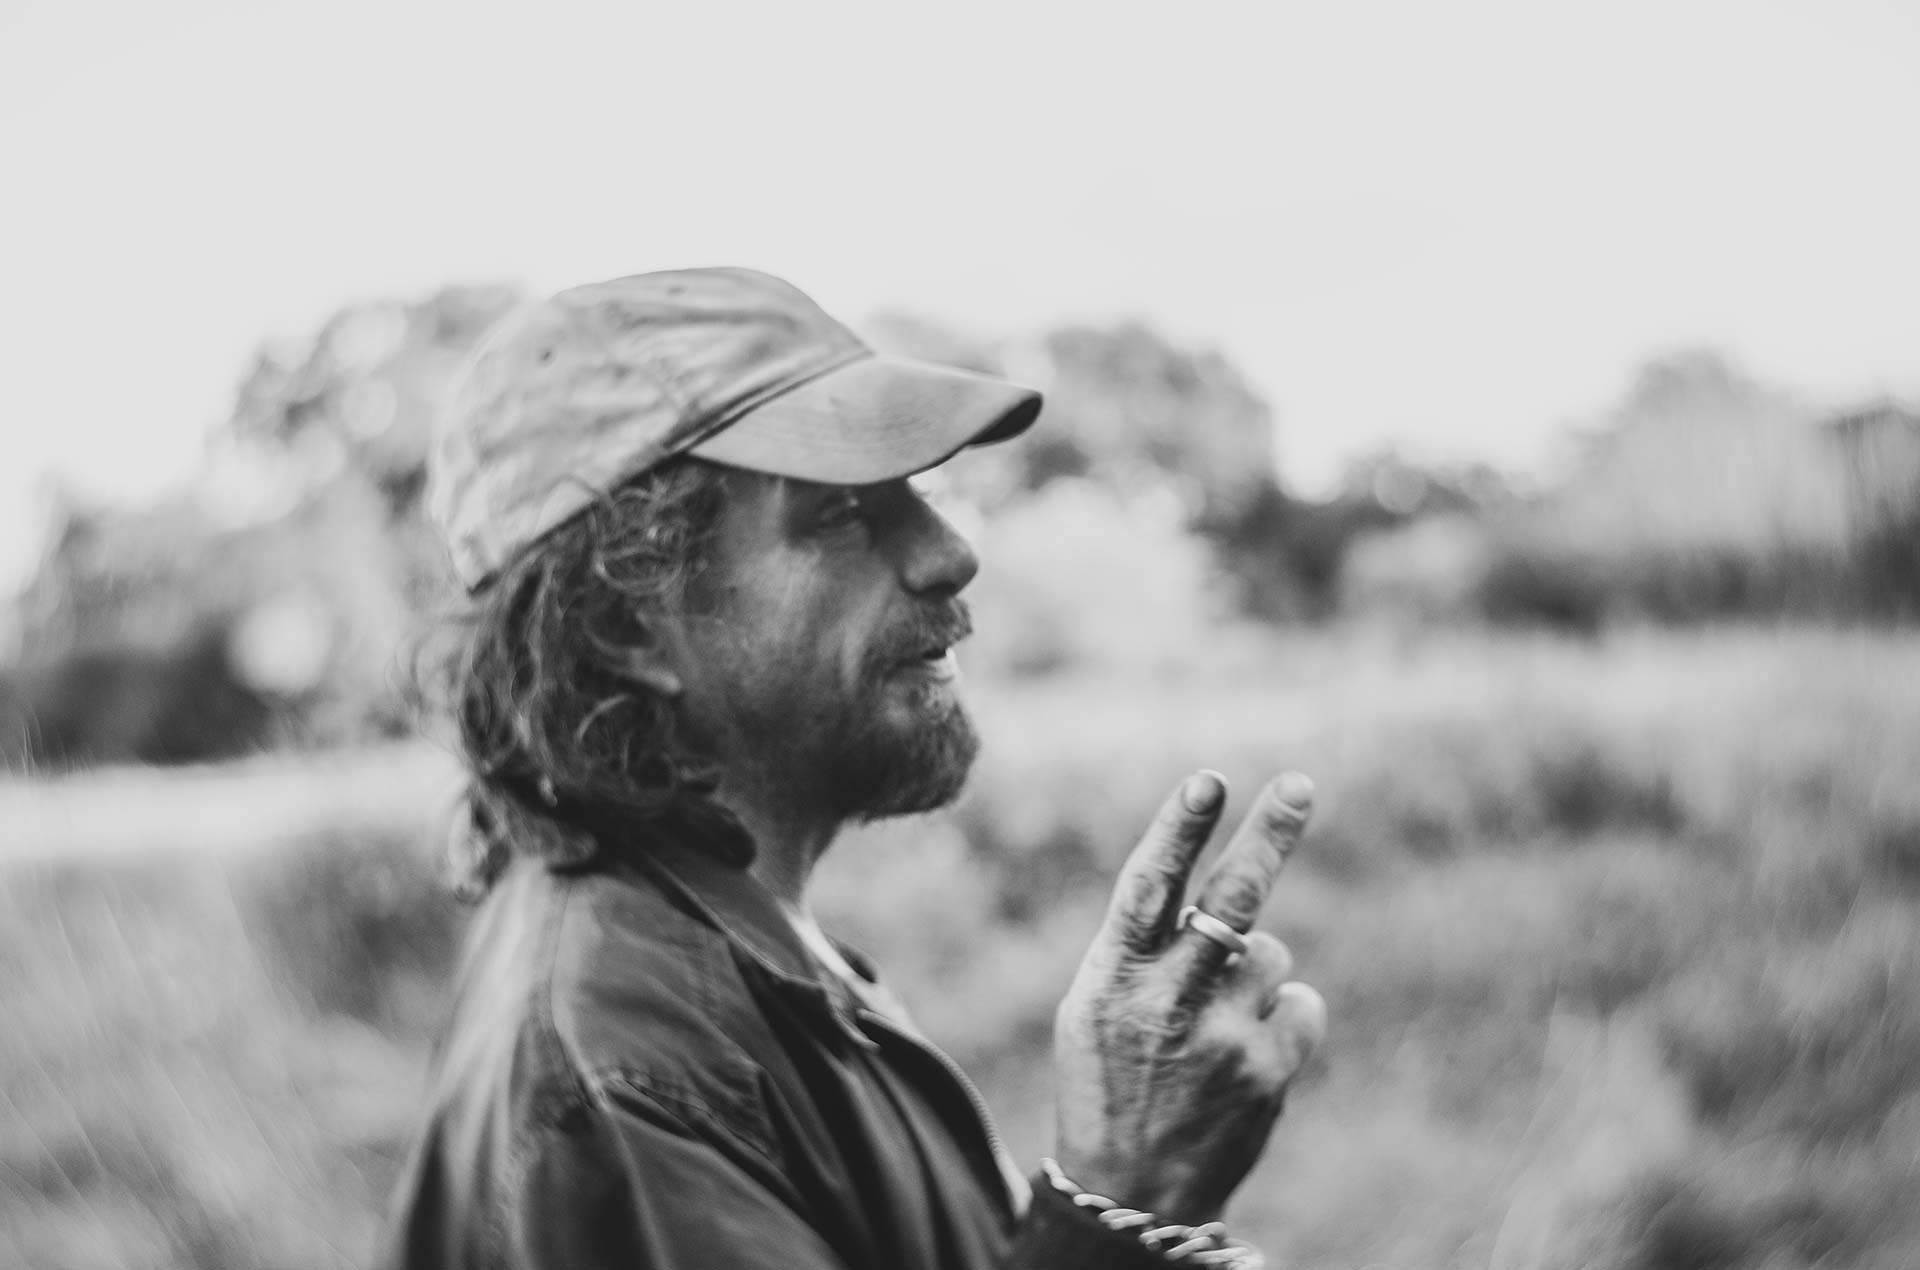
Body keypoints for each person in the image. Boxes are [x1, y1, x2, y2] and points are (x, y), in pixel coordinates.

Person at [380, 267, 1328, 1270]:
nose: (949, 551)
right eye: (839, 511)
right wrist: (1125, 1197)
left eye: (916, 489)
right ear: (626, 621)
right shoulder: (627, 1081)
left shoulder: (721, 946)